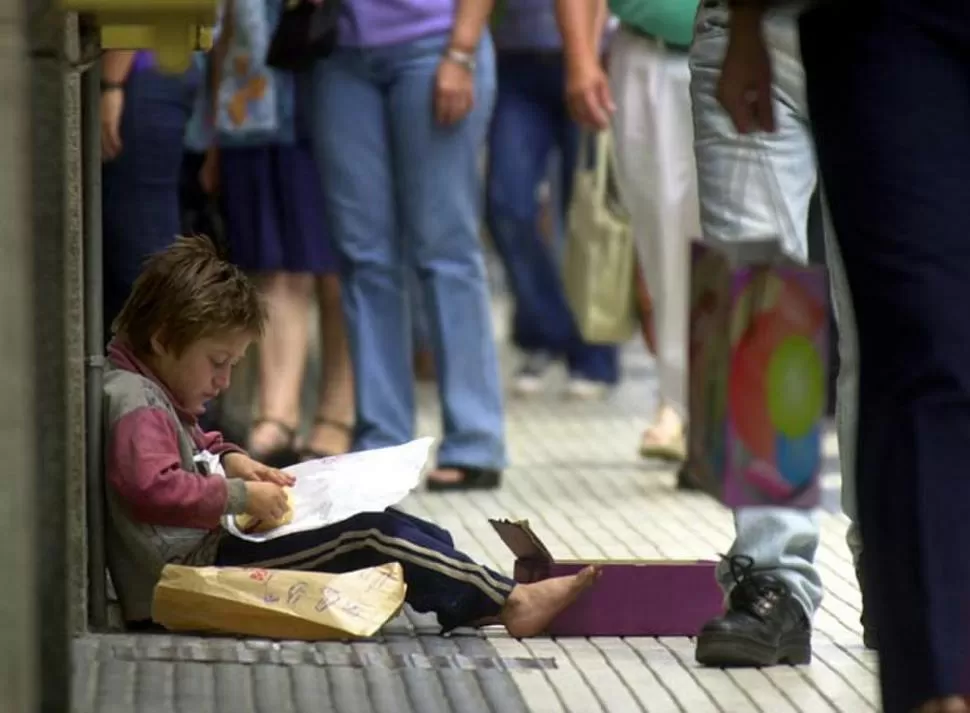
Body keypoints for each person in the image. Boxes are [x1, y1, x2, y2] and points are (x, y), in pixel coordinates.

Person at [102, 235, 598, 636]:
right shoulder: (135, 401)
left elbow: (187, 447)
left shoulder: (152, 390)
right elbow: (152, 487)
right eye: (217, 362)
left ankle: (474, 595)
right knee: (368, 534)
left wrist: (230, 457)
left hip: (205, 550)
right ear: (164, 338)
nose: (224, 381)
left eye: (232, 365)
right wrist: (240, 495)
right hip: (187, 575)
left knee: (393, 524)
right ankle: (511, 603)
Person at [796, 1, 970, 711]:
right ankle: (767, 565)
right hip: (840, 24)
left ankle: (883, 559)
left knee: (887, 339)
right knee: (761, 293)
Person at [688, 0, 868, 666]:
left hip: (898, 37)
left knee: (898, 319)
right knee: (756, 314)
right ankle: (771, 578)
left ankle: (901, 568)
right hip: (746, 21)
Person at [310, 0, 507, 491]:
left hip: (435, 44)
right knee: (362, 257)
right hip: (342, 54)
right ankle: (382, 440)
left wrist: (461, 51)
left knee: (445, 251)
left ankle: (475, 439)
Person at [192, 0, 355, 467]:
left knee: (333, 266)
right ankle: (276, 414)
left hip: (328, 88)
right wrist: (214, 132)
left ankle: (336, 413)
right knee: (270, 267)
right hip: (249, 102)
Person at [556, 0, 697, 461]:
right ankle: (678, 402)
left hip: (762, 47)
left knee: (762, 245)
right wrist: (581, 57)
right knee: (662, 241)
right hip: (647, 50)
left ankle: (744, 419)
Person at [486, 0, 619, 399]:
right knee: (506, 205)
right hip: (514, 61)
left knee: (588, 213)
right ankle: (546, 331)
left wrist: (588, 57)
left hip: (594, 56)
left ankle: (595, 352)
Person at [101, 49, 201, 334]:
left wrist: (111, 82)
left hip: (141, 68)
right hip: (155, 68)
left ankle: (168, 372)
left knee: (145, 269)